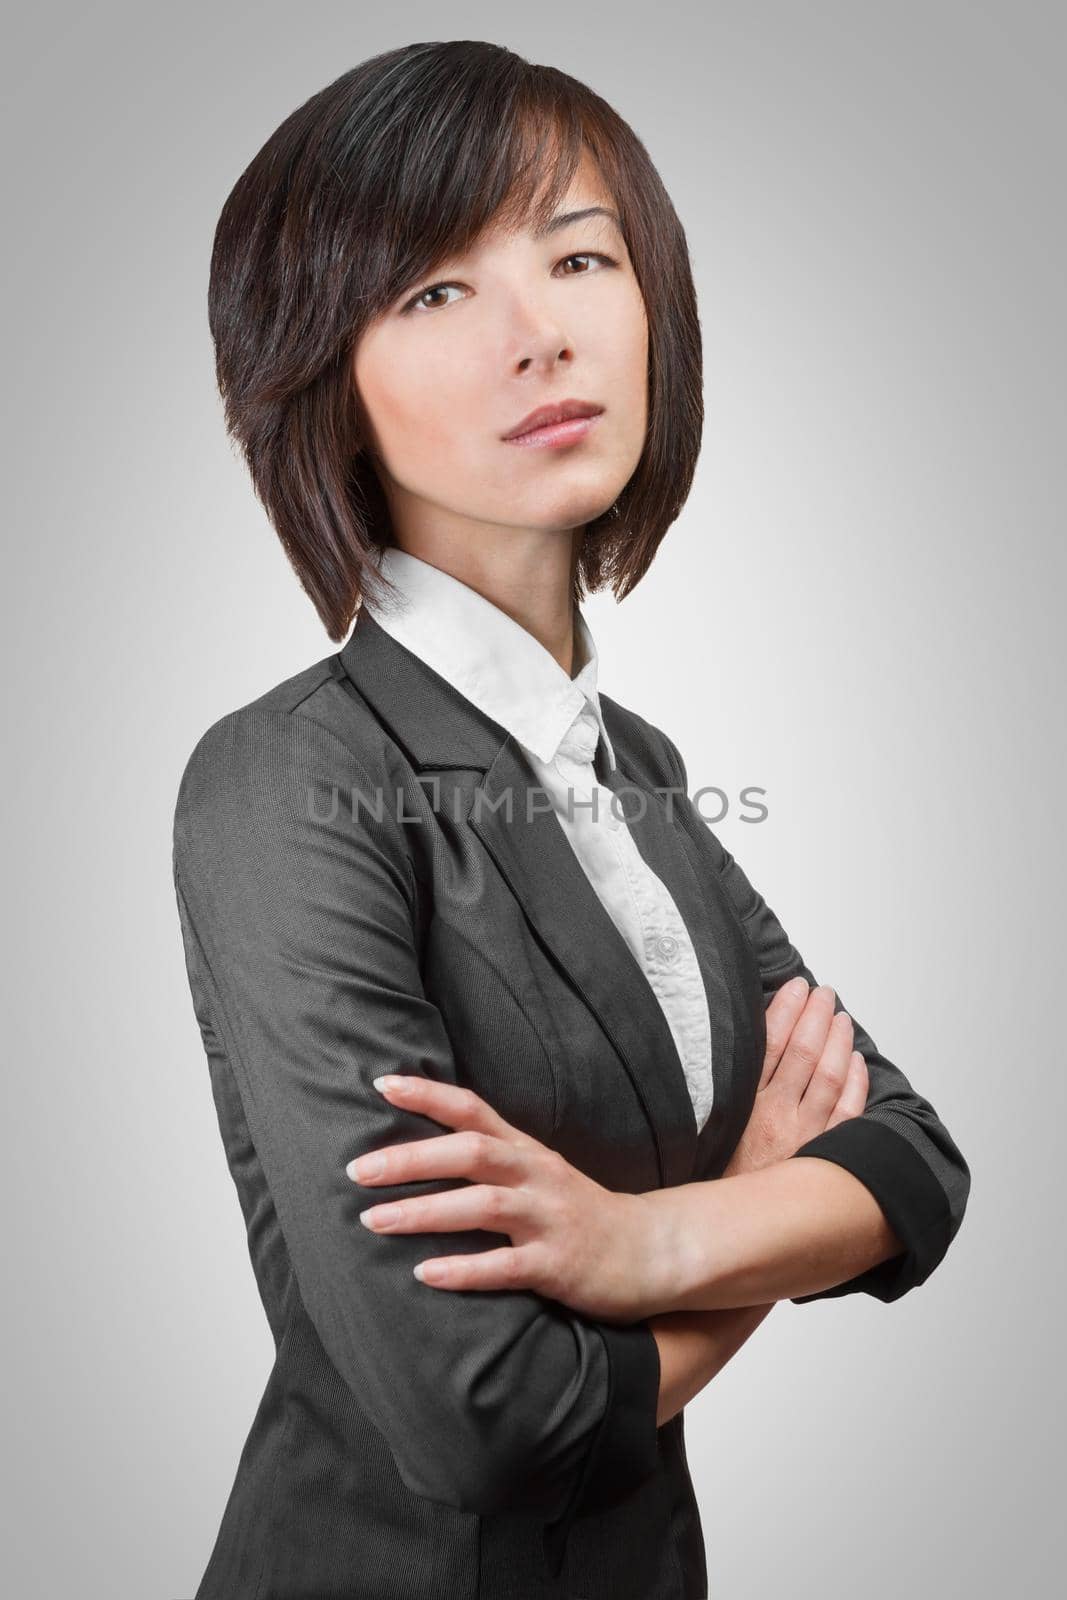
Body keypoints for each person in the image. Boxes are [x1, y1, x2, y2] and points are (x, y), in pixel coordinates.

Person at [171, 40, 971, 1600]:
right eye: (433, 292)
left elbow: (915, 1163)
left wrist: (641, 1245)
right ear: (321, 378)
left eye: (580, 256)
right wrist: (755, 1217)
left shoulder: (635, 770)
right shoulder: (282, 782)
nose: (540, 335)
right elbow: (482, 1421)